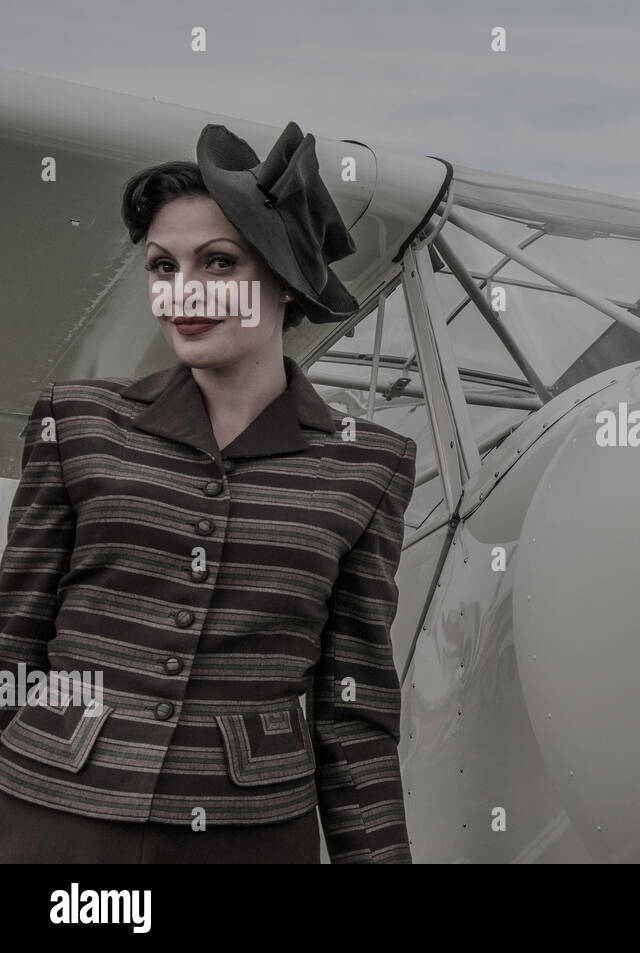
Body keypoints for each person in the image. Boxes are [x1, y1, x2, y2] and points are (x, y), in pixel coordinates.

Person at [0, 121, 416, 863]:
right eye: (163, 267)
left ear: (286, 279)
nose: (181, 292)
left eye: (217, 263)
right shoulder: (79, 419)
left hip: (248, 838)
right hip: (55, 822)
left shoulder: (368, 466)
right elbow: (12, 645)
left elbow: (352, 715)